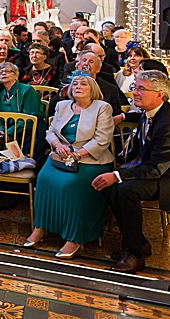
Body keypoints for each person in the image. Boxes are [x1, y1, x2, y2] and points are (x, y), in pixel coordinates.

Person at [25, 75, 114, 258]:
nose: (78, 87)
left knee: (71, 184)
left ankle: (75, 238)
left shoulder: (102, 108)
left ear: (93, 89)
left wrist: (78, 154)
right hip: (61, 156)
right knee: (43, 178)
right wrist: (57, 145)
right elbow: (50, 131)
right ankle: (41, 227)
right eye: (74, 84)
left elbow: (102, 139)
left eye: (83, 84)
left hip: (90, 159)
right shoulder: (62, 105)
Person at [93, 70, 170, 273]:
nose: (135, 92)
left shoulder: (168, 122)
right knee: (111, 187)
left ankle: (134, 254)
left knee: (126, 188)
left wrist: (118, 175)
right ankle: (139, 242)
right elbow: (140, 116)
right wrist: (124, 115)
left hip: (164, 177)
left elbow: (156, 168)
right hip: (151, 169)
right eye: (135, 87)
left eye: (141, 89)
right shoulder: (151, 110)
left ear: (160, 94)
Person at [0, 62, 47, 154]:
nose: (3, 73)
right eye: (0, 72)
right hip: (8, 134)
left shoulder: (27, 90)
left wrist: (9, 133)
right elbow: (1, 119)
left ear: (16, 75)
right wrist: (1, 131)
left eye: (7, 71)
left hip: (29, 133)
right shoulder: (0, 95)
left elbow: (30, 118)